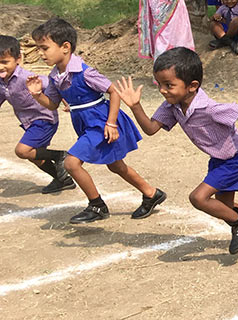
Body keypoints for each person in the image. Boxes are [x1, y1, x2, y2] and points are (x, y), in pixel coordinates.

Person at [114, 47, 238, 254]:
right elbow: (150, 129)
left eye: (169, 85)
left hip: (234, 160)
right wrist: (135, 106)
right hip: (218, 161)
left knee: (198, 198)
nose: (162, 90)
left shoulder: (210, 109)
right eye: (159, 84)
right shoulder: (172, 106)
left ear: (192, 86)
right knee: (224, 206)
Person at [27, 18, 166, 224]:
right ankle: (151, 193)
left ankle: (97, 206)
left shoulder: (85, 72)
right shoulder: (56, 75)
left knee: (71, 163)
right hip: (86, 124)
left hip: (101, 122)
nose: (40, 53)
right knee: (116, 166)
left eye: (44, 48)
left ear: (65, 47)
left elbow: (114, 92)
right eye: (39, 49)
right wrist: (37, 94)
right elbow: (52, 104)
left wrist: (111, 123)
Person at [0, 35, 74, 194]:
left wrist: (67, 101)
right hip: (29, 123)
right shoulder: (1, 82)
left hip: (44, 119)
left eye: (5, 62)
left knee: (22, 151)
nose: (0, 67)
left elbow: (53, 84)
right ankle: (63, 180)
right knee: (35, 156)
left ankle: (61, 155)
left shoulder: (27, 78)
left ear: (18, 59)